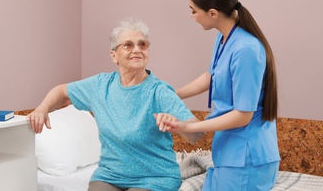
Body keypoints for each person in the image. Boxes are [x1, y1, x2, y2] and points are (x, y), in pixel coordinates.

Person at [27, 17, 203, 191]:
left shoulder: (160, 91)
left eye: (142, 44)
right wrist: (42, 109)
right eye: (128, 45)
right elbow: (62, 92)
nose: (137, 50)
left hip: (155, 177)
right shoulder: (100, 86)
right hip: (110, 175)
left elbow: (197, 134)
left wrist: (177, 125)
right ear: (114, 56)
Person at [160, 0, 280, 190]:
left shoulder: (246, 50)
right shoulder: (223, 38)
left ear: (213, 13)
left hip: (246, 160)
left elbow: (243, 116)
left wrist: (188, 125)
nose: (191, 15)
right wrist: (172, 93)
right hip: (229, 155)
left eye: (193, 10)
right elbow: (212, 76)